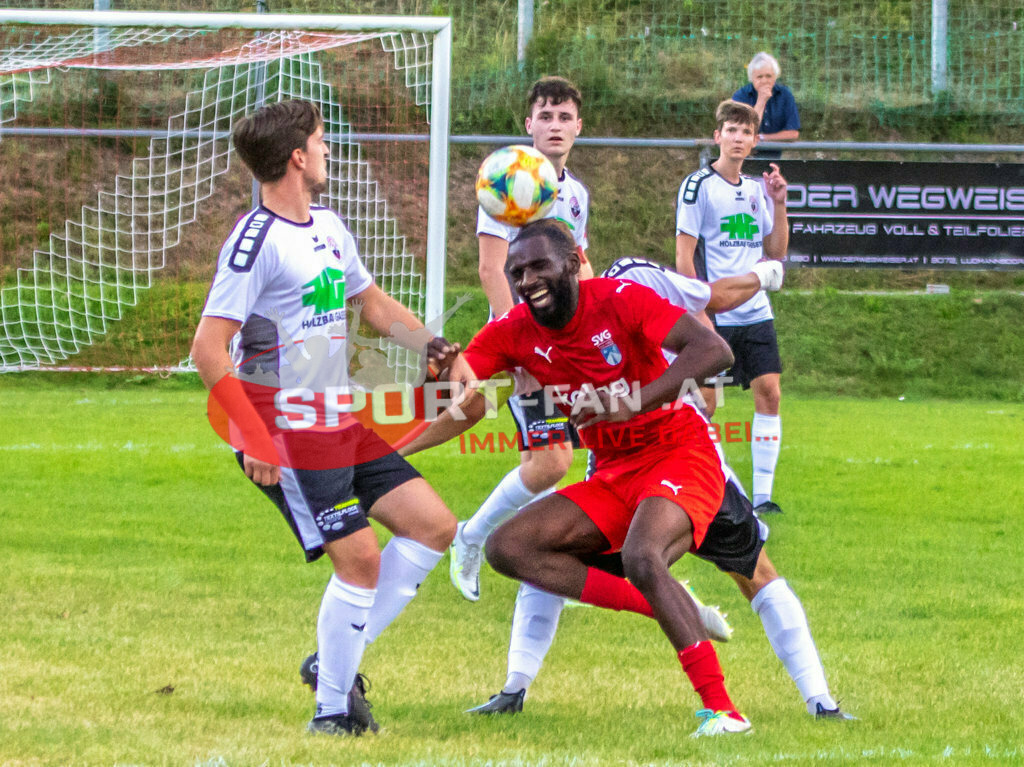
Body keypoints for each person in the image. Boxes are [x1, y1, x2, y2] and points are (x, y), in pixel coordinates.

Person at [449, 222, 851, 734]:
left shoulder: (632, 284)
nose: (527, 279)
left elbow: (712, 332)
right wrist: (438, 365)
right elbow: (456, 390)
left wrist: (634, 402)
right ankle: (515, 686)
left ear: (574, 259)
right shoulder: (517, 327)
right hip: (615, 471)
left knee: (749, 570)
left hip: (684, 452)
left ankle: (801, 702)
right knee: (526, 548)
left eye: (537, 267)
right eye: (517, 271)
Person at [190, 99, 458, 737]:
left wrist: (433, 347)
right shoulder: (252, 244)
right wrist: (253, 436)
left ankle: (335, 660)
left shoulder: (330, 226)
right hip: (286, 430)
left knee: (433, 527)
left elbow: (368, 301)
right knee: (360, 560)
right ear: (296, 158)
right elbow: (208, 348)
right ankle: (333, 713)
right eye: (321, 140)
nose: (329, 150)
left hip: (338, 417)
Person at [449, 75, 592, 602]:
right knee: (552, 461)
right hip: (526, 345)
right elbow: (491, 271)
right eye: (545, 116)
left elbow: (581, 267)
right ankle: (472, 536)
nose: (554, 126)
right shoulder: (507, 179)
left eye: (564, 116)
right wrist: (522, 345)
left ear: (578, 126)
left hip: (574, 342)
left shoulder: (575, 193)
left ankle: (545, 561)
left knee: (558, 464)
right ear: (528, 124)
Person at [676, 99, 789, 516]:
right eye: (732, 130)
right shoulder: (698, 186)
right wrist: (699, 312)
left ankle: (762, 498)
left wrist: (779, 203)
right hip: (716, 311)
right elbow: (684, 258)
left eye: (747, 132)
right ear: (717, 135)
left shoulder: (758, 190)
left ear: (756, 141)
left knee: (770, 393)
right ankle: (711, 492)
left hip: (755, 310)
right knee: (705, 405)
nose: (738, 138)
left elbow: (774, 254)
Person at [731, 52, 800, 147]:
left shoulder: (785, 94)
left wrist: (762, 138)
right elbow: (742, 132)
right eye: (759, 77)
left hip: (775, 155)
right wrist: (761, 101)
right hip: (744, 155)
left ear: (775, 77)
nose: (764, 81)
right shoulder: (741, 96)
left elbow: (793, 133)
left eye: (768, 76)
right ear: (752, 78)